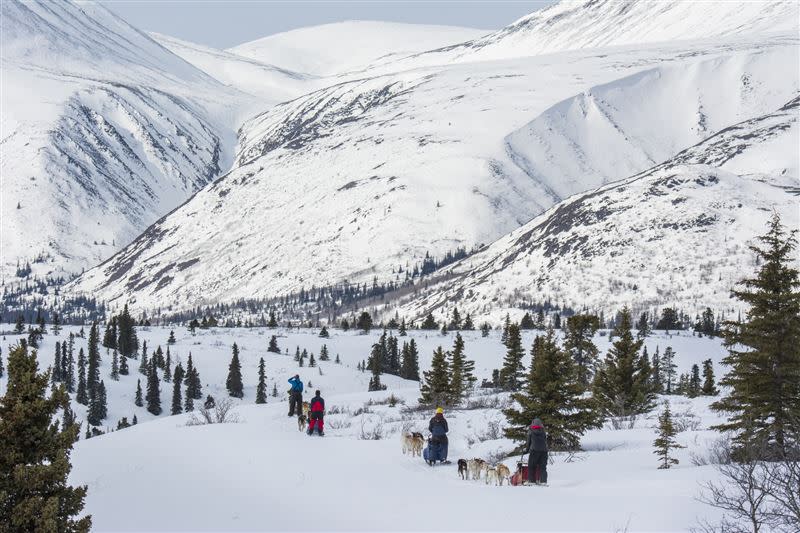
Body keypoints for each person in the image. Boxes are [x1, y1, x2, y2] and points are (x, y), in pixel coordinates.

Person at [523, 417, 548, 485]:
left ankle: (532, 481)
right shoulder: (543, 431)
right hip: (544, 451)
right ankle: (543, 481)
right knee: (543, 467)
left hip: (534, 451)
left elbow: (529, 442)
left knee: (531, 466)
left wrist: (526, 450)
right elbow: (545, 441)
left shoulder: (531, 431)